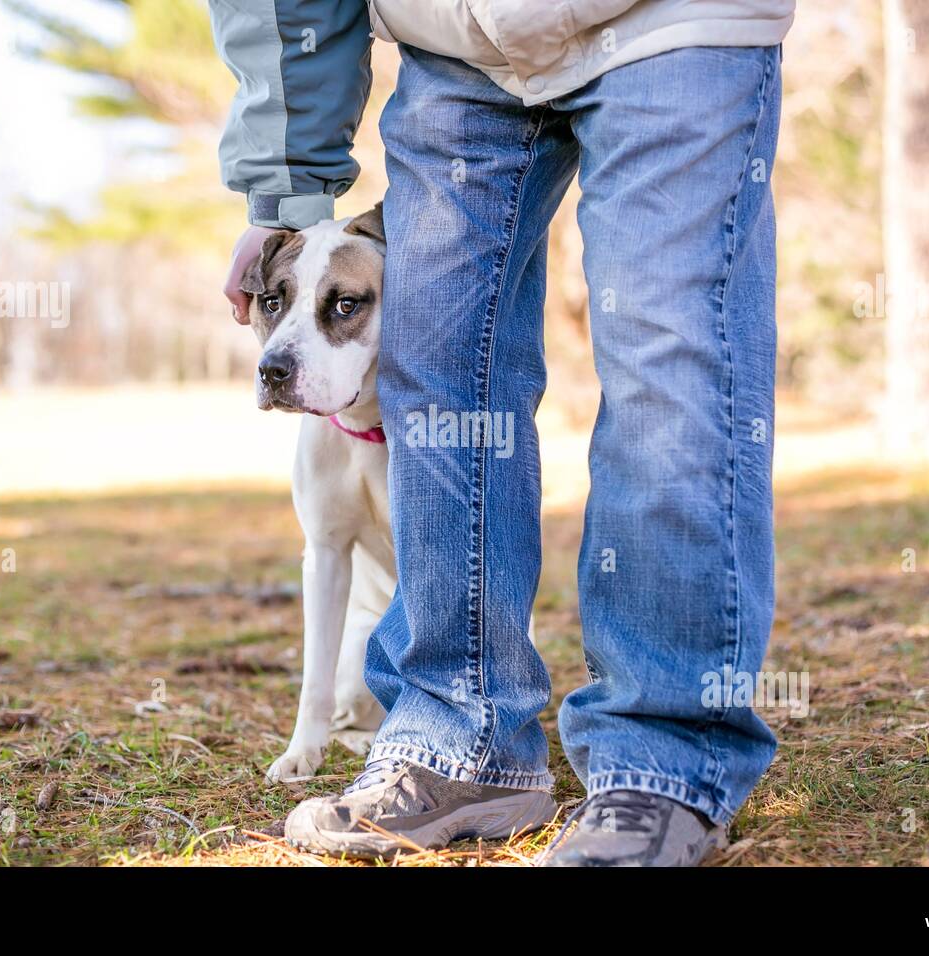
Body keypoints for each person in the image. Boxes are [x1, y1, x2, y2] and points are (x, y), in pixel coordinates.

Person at [210, 0, 793, 867]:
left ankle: (665, 759)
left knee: (668, 359)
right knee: (436, 369)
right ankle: (461, 735)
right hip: (454, 47)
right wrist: (288, 181)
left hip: (675, 21)